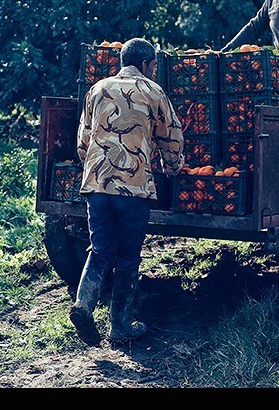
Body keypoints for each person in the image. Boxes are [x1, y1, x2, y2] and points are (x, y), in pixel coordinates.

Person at [72, 37, 185, 346]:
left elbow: (83, 141)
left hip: (96, 185)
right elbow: (170, 137)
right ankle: (120, 324)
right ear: (148, 65)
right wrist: (172, 167)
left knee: (101, 249)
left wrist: (98, 166)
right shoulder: (153, 91)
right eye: (154, 66)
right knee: (128, 255)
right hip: (133, 188)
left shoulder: (97, 89)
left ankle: (83, 305)